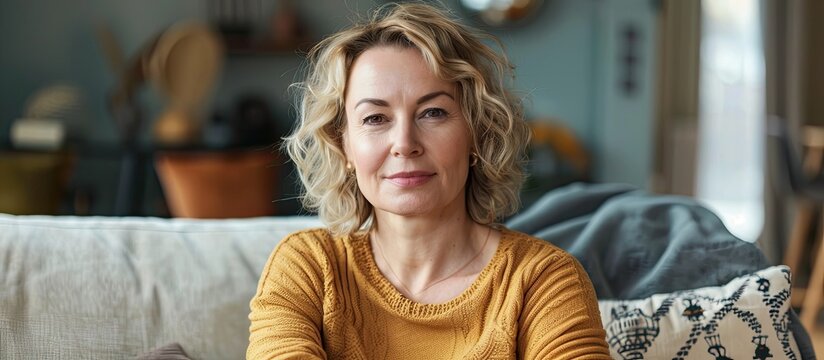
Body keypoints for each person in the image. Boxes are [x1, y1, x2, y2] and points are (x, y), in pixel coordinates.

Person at [248, 3, 610, 358]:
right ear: (343, 147)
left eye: (433, 112)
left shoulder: (543, 280)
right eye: (375, 118)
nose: (404, 144)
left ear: (476, 135)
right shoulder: (307, 267)